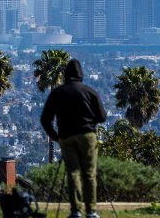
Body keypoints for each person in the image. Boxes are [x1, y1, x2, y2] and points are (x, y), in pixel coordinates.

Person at [40, 59, 107, 218]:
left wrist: (55, 136)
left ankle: (76, 210)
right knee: (89, 174)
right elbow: (102, 117)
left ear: (65, 75)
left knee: (73, 173)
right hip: (87, 136)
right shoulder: (89, 91)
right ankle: (91, 211)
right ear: (81, 74)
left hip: (66, 136)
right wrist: (90, 122)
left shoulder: (58, 93)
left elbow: (45, 118)